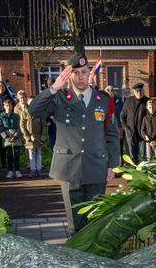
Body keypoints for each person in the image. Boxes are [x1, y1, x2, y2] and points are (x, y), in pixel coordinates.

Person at [27, 53, 121, 234]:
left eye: (84, 72)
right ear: (69, 76)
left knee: (96, 220)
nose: (80, 77)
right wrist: (53, 88)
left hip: (96, 166)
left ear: (89, 73)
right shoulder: (59, 98)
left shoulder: (103, 100)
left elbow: (111, 134)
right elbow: (34, 110)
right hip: (69, 167)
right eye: (75, 73)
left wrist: (113, 164)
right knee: (74, 224)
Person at [16, 90, 48, 178]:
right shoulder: (25, 112)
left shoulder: (40, 112)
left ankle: (39, 170)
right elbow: (22, 125)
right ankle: (33, 170)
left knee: (39, 153)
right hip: (29, 137)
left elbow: (44, 125)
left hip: (39, 136)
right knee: (31, 154)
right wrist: (27, 136)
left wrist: (43, 137)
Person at [120, 84, 147, 162]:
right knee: (133, 156)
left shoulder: (147, 101)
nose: (139, 93)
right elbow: (122, 116)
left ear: (143, 91)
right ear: (134, 92)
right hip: (131, 132)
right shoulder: (129, 101)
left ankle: (143, 172)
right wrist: (126, 128)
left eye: (140, 91)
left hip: (143, 134)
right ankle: (134, 172)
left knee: (143, 156)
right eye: (137, 91)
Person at [0, 98, 22, 179]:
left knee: (17, 155)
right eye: (7, 106)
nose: (9, 107)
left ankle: (17, 170)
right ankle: (10, 171)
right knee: (9, 155)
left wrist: (15, 136)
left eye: (10, 106)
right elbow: (0, 128)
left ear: (12, 106)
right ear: (4, 106)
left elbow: (19, 127)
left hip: (16, 139)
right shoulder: (1, 116)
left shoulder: (16, 116)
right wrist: (7, 136)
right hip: (7, 140)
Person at [140, 96, 156, 161]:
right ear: (147, 108)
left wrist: (155, 140)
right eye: (150, 107)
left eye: (153, 107)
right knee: (149, 158)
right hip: (148, 141)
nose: (152, 109)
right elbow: (143, 130)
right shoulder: (145, 118)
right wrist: (146, 137)